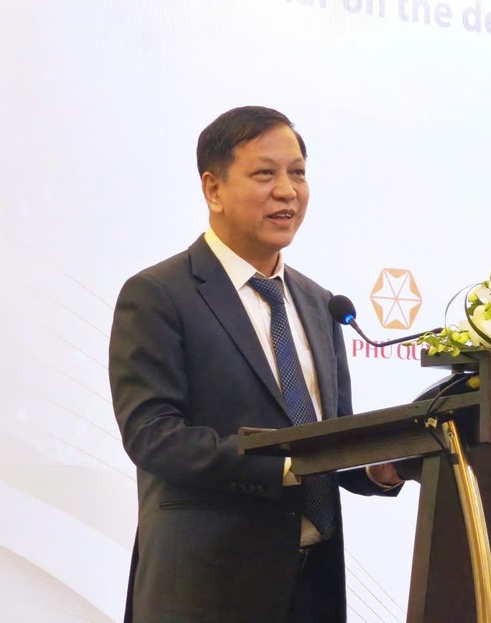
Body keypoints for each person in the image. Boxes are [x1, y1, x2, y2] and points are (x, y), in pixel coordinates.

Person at [109, 106, 403, 623]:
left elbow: (330, 437)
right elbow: (153, 435)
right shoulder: (159, 294)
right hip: (205, 591)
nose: (287, 191)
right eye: (265, 174)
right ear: (213, 189)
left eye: (298, 173)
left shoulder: (320, 303)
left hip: (312, 589)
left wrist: (379, 467)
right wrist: (286, 469)